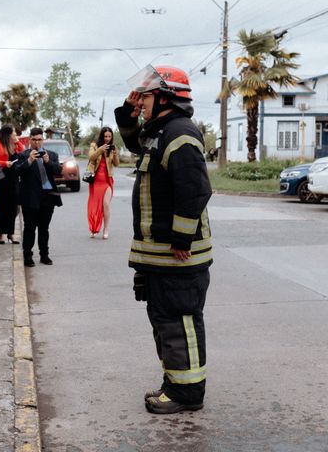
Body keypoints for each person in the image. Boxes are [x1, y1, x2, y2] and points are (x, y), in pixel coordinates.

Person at [114, 65, 213, 414]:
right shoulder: (162, 132)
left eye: (146, 96)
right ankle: (176, 383)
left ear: (166, 97)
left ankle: (187, 394)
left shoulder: (180, 134)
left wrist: (181, 239)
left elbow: (195, 190)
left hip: (178, 258)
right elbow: (133, 142)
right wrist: (128, 113)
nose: (140, 102)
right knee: (166, 322)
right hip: (162, 258)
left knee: (179, 322)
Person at [15, 127, 62, 267]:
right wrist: (29, 161)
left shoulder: (52, 155)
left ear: (43, 140)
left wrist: (48, 161)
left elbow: (58, 171)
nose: (37, 142)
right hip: (30, 198)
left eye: (39, 140)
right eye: (34, 140)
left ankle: (44, 255)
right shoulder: (23, 155)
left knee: (44, 228)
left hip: (48, 197)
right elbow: (17, 171)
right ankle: (27, 256)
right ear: (30, 140)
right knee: (30, 228)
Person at [0, 124, 23, 245]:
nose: (14, 134)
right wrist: (4, 163)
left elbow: (22, 153)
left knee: (12, 207)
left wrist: (17, 142)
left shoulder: (13, 143)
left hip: (13, 178)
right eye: (13, 132)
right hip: (0, 178)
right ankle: (0, 235)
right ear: (7, 133)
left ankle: (11, 233)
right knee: (1, 206)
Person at [87, 126, 120, 239]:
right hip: (95, 181)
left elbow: (117, 164)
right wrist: (100, 149)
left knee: (106, 204)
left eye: (109, 136)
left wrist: (115, 154)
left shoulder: (113, 147)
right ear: (102, 136)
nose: (107, 138)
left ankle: (106, 229)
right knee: (95, 206)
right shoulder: (94, 145)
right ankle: (94, 228)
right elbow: (91, 157)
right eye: (105, 136)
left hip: (107, 181)